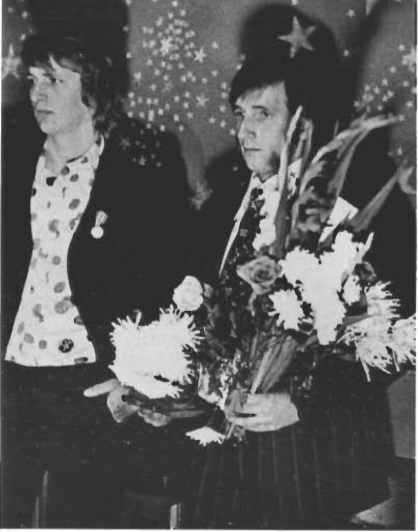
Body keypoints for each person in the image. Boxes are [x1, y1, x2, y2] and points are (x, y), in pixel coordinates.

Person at [182, 53, 400, 529]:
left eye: (262, 114)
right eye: (239, 114)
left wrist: (302, 403)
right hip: (224, 459)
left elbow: (398, 336)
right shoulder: (224, 200)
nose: (243, 130)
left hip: (314, 459)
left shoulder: (355, 203)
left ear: (304, 124)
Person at [2, 32, 192, 528]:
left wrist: (133, 377)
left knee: (81, 516)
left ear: (92, 88)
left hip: (88, 382)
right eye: (34, 80)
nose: (37, 93)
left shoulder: (139, 168)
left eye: (54, 80)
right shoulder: (10, 156)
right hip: (12, 376)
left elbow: (165, 281)